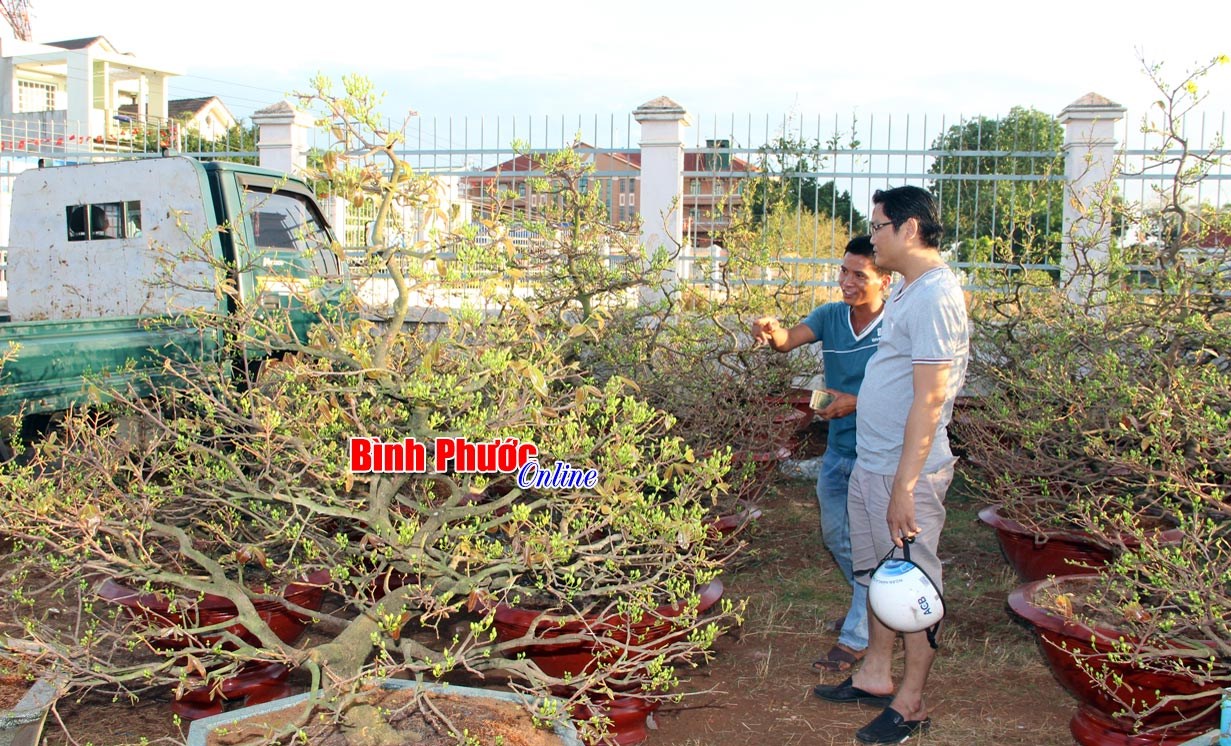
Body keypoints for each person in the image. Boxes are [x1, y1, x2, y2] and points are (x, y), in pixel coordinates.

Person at [811, 186, 969, 744]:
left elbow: (931, 398)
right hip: (873, 463)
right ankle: (876, 675)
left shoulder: (935, 297)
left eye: (877, 226)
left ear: (908, 229)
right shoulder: (908, 289)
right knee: (881, 576)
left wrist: (905, 484)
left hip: (909, 473)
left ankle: (912, 701)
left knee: (913, 584)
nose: (871, 236)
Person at [750, 235, 891, 672]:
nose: (846, 282)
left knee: (872, 548)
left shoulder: (897, 325)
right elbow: (789, 340)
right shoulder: (831, 317)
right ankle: (871, 607)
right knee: (837, 538)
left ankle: (857, 638)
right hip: (839, 451)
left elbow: (912, 391)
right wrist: (771, 331)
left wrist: (858, 401)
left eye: (858, 275)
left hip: (880, 455)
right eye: (843, 272)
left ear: (885, 280)